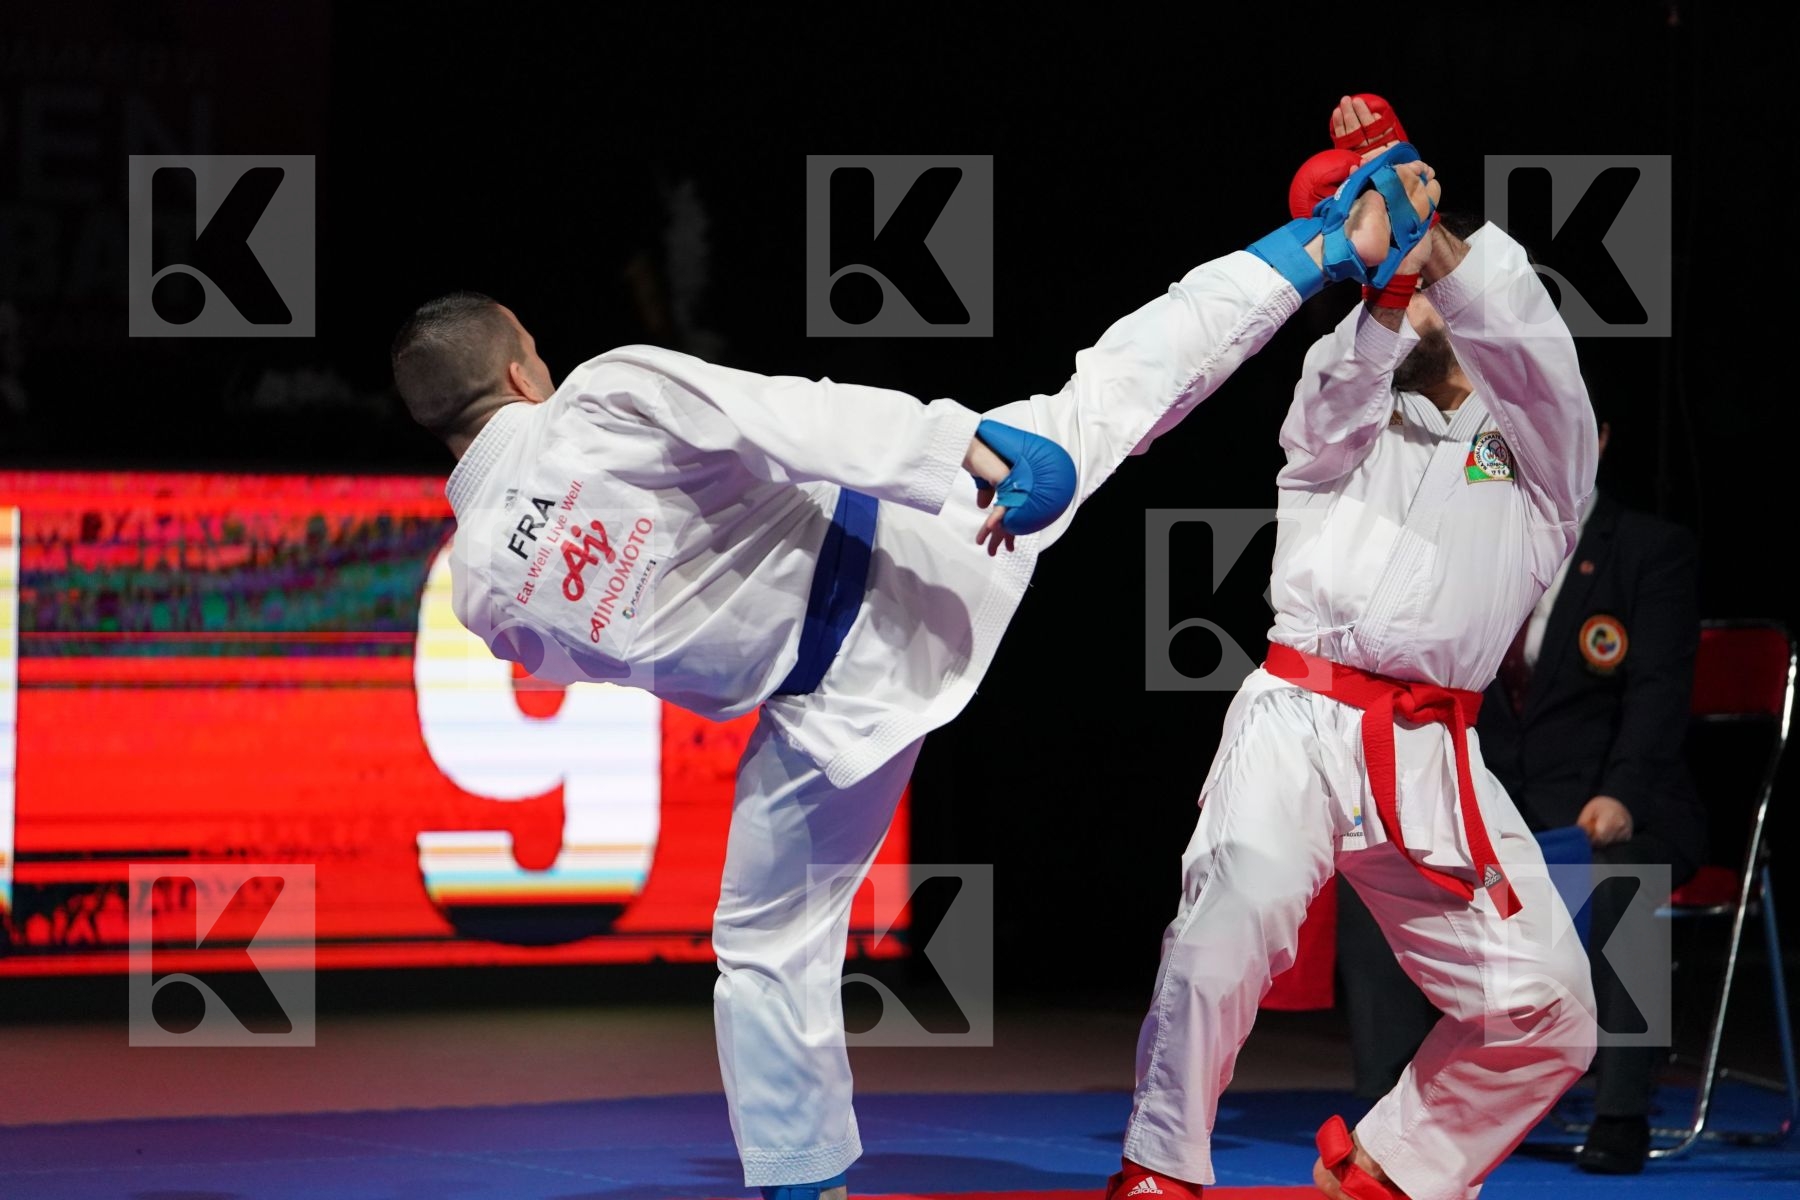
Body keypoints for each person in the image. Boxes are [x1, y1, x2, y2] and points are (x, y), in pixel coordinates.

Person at [390, 150, 1433, 1200]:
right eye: (535, 350)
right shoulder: (598, 397)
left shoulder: (481, 592)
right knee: (1113, 393)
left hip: (829, 716)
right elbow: (796, 417)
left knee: (766, 942)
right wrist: (966, 447)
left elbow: (602, 659)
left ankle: (805, 1183)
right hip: (921, 549)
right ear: (520, 372)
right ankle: (1326, 244)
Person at [1107, 103, 1600, 1200]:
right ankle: (1159, 1171)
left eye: (1425, 286)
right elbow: (1334, 402)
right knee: (1230, 920)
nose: (1412, 296)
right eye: (1397, 284)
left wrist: (1414, 204)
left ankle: (1386, 1174)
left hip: (1431, 753)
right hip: (1299, 716)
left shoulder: (1544, 464)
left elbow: (1536, 361)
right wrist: (1382, 279)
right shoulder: (1345, 408)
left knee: (1551, 1010)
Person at [1339, 422, 1704, 1174]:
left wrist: (1621, 794)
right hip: (1492, 806)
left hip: (1611, 806)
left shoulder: (1649, 548)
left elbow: (1659, 692)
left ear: (1599, 439)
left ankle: (1622, 1110)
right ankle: (1389, 1106)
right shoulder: (1473, 537)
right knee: (1376, 872)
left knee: (1623, 879)